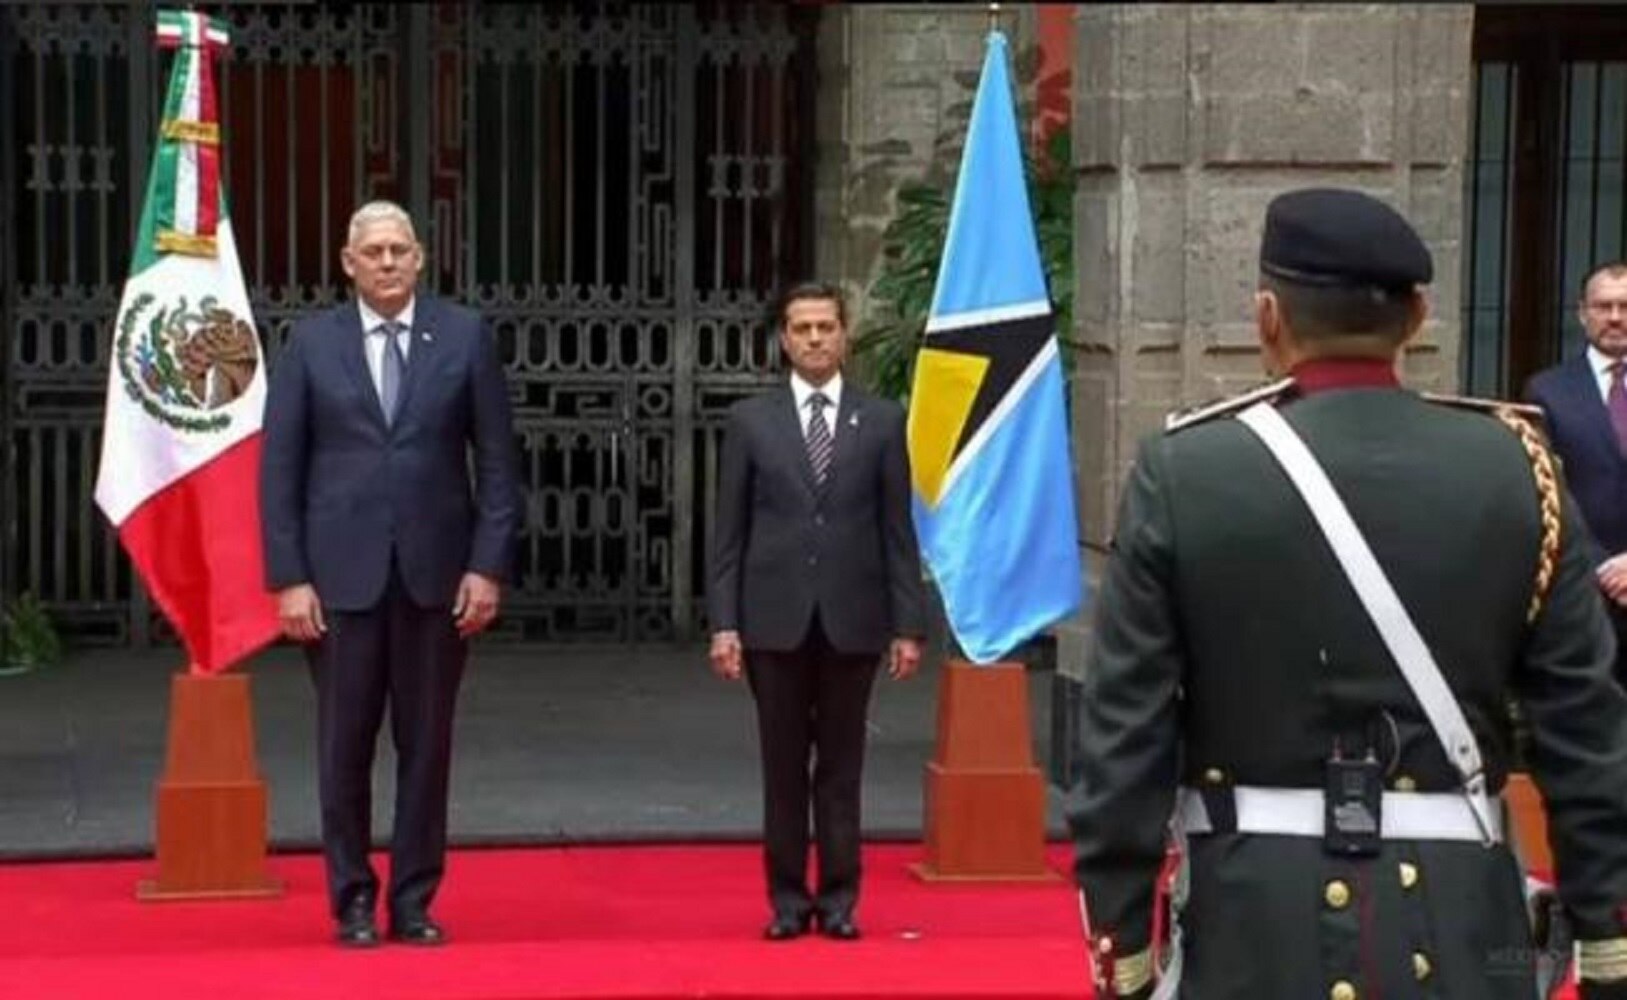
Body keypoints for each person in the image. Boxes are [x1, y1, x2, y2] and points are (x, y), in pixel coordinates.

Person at [1066, 188, 1627, 999]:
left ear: (1267, 316)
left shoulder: (1185, 471)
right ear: (1418, 315)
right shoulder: (1519, 469)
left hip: (1249, 921)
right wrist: (1608, 944)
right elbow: (1587, 736)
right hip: (1461, 921)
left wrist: (1122, 954)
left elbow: (1122, 738)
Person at [260, 200, 520, 949]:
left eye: (398, 250)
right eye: (371, 251)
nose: (385, 262)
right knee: (343, 746)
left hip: (438, 581)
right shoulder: (311, 344)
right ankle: (349, 900)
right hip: (336, 583)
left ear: (420, 257)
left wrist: (487, 567)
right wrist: (290, 578)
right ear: (347, 262)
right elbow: (280, 471)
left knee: (426, 744)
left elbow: (498, 466)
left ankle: (412, 899)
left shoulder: (465, 337)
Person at [707, 280, 927, 942]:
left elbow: (897, 531)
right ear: (783, 338)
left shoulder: (882, 420)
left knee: (840, 767)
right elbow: (729, 533)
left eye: (824, 327)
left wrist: (907, 625)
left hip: (852, 620)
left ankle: (837, 900)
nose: (812, 339)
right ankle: (784, 901)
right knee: (782, 768)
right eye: (800, 328)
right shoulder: (751, 421)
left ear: (843, 334)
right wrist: (724, 623)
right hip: (772, 620)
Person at [1525, 261, 1627, 685]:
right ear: (1582, 313)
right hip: (1585, 589)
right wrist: (1606, 567)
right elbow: (1544, 489)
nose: (1616, 318)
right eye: (1604, 306)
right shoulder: (1547, 391)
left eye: (1625, 306)